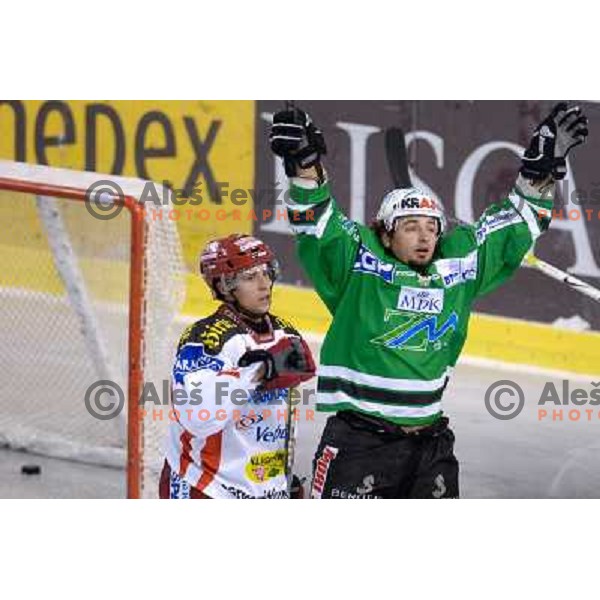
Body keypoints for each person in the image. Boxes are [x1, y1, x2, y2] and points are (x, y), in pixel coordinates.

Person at [269, 102, 588, 499]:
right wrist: (304, 164)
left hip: (430, 446)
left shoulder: (458, 265)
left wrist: (542, 165)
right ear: (385, 234)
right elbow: (319, 225)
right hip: (360, 444)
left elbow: (515, 221)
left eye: (431, 228)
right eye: (410, 227)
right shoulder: (359, 264)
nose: (423, 237)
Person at [159, 233, 315, 499]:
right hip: (205, 486)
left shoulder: (286, 332)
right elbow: (198, 416)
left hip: (260, 487)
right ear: (223, 286)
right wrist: (258, 372)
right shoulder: (205, 337)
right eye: (250, 277)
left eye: (266, 272)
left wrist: (280, 481)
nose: (264, 284)